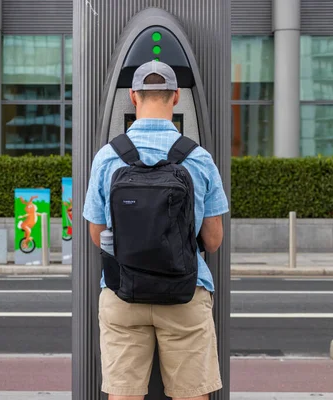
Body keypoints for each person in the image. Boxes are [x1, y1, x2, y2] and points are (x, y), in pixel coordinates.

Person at [82, 60, 229, 400]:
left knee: (124, 394)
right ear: (176, 96)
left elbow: (95, 234)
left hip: (123, 292)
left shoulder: (108, 156)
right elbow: (213, 240)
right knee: (192, 394)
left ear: (133, 96)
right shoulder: (198, 158)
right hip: (184, 293)